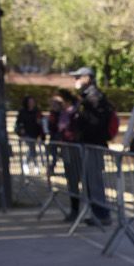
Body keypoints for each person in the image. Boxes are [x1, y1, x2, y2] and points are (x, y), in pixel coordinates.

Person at [70, 66, 115, 226]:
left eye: (78, 77)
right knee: (90, 181)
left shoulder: (93, 97)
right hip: (87, 143)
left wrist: (81, 125)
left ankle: (102, 214)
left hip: (93, 144)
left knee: (95, 181)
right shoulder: (86, 97)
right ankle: (97, 213)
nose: (75, 80)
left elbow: (95, 122)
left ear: (87, 78)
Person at [51, 90, 83, 221]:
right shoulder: (62, 114)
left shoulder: (74, 113)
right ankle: (74, 210)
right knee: (72, 182)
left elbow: (73, 132)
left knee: (77, 180)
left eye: (60, 102)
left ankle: (81, 210)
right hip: (67, 150)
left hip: (75, 149)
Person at [14, 94, 44, 175]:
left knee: (32, 149)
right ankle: (33, 165)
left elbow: (41, 121)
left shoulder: (37, 111)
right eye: (30, 102)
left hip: (35, 133)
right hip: (26, 133)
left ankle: (28, 164)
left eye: (33, 102)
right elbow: (18, 122)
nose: (32, 103)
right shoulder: (22, 111)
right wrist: (21, 130)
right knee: (32, 148)